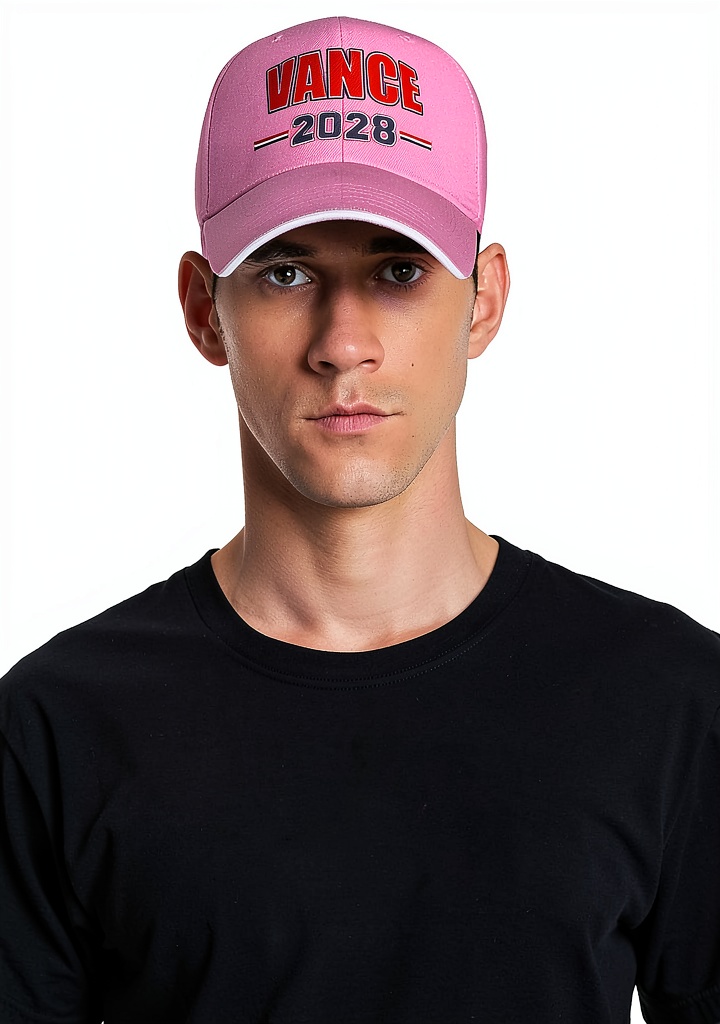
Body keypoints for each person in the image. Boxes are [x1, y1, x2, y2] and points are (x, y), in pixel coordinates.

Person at [1, 13, 718, 1024]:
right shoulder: (57, 729)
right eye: (286, 271)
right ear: (205, 310)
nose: (343, 344)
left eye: (398, 269)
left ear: (484, 300)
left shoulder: (671, 701)